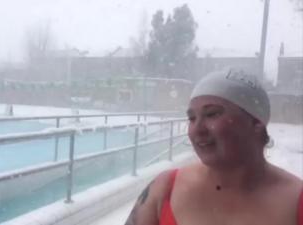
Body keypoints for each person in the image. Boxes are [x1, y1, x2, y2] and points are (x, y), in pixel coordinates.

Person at [125, 68, 303, 225]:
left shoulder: (296, 201)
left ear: (256, 122)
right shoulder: (164, 189)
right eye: (192, 118)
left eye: (212, 114)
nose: (197, 129)